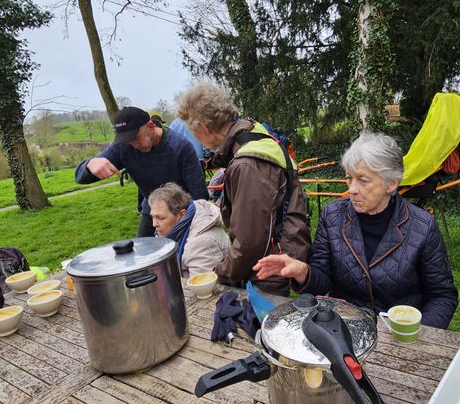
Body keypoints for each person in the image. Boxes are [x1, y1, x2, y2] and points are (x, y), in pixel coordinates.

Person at [254, 132, 459, 326]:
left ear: (391, 184)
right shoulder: (333, 216)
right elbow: (323, 281)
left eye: (363, 180)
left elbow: (443, 296)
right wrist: (303, 272)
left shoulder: (422, 226)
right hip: (346, 328)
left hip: (398, 335)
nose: (351, 189)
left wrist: (416, 334)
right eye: (349, 178)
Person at [176, 82, 311, 294]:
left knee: (258, 322)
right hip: (276, 254)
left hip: (267, 268)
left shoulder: (248, 165)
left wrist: (219, 275)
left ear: (203, 127)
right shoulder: (252, 132)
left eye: (192, 130)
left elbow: (250, 242)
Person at [75, 106, 208, 237]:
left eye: (136, 138)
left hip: (180, 212)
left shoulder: (180, 146)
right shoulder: (123, 147)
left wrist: (192, 224)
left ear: (151, 126)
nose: (134, 145)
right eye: (128, 141)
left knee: (183, 253)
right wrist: (90, 164)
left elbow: (199, 194)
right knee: (144, 254)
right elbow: (79, 177)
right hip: (151, 209)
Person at [148, 182, 230, 278]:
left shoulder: (201, 243)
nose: (154, 224)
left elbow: (201, 289)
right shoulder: (183, 224)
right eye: (153, 217)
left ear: (182, 215)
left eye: (160, 218)